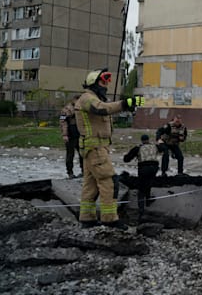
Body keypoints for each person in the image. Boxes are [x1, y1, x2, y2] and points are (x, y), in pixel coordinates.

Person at [74, 68, 144, 229]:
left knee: (90, 186)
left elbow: (105, 109)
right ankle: (110, 218)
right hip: (95, 147)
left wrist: (129, 106)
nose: (106, 85)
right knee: (109, 181)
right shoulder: (87, 98)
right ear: (93, 83)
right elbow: (102, 109)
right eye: (103, 82)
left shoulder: (93, 98)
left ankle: (87, 218)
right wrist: (125, 103)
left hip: (95, 148)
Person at [123, 134, 162, 220]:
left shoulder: (138, 148)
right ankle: (148, 201)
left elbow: (126, 159)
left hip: (143, 168)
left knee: (141, 189)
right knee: (148, 183)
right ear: (148, 139)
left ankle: (141, 212)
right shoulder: (154, 146)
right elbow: (163, 148)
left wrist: (128, 155)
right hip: (154, 168)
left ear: (141, 140)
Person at [59, 95, 83, 179]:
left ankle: (83, 171)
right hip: (70, 135)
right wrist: (65, 135)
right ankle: (70, 172)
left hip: (79, 135)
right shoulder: (66, 110)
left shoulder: (81, 109)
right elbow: (63, 122)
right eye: (77, 100)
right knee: (70, 155)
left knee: (82, 154)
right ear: (73, 100)